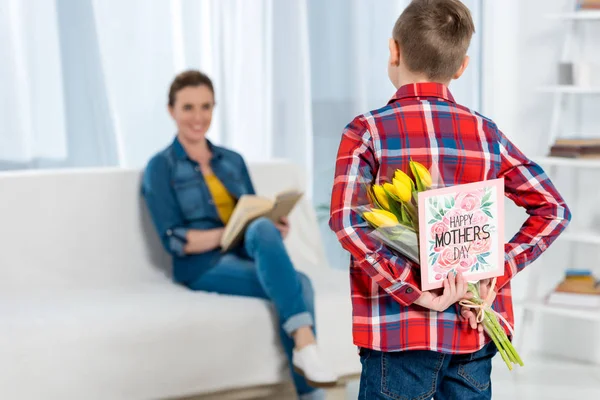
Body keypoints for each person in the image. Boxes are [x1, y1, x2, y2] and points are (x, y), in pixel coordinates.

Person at [328, 1, 571, 399]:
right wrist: (498, 270)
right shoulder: (486, 133)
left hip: (398, 336)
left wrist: (414, 289)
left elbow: (345, 222)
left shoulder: (366, 131)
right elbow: (554, 208)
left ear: (394, 50)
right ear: (461, 67)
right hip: (472, 333)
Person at [142, 70, 337, 399]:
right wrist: (228, 233)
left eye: (206, 106)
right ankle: (310, 377)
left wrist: (273, 224)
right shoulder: (160, 168)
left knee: (262, 226)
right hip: (202, 264)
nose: (198, 117)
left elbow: (252, 209)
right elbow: (176, 241)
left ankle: (307, 354)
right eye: (188, 107)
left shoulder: (231, 161)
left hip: (245, 252)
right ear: (171, 110)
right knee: (299, 284)